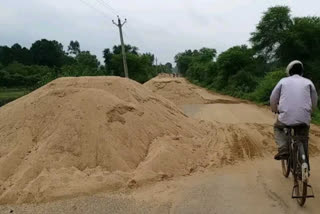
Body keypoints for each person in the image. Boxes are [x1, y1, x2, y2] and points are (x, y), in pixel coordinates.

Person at [270, 60, 318, 160]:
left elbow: (273, 97)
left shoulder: (283, 81)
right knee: (303, 136)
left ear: (289, 71)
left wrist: (274, 108)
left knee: (278, 128)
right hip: (304, 118)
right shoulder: (308, 82)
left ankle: (283, 149)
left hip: (286, 117)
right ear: (302, 71)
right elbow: (314, 100)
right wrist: (311, 112)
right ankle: (305, 159)